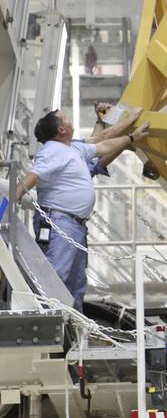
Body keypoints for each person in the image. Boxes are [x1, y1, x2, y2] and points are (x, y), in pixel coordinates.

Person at [16, 106, 148, 311]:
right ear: (61, 129)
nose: (69, 120)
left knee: (76, 284)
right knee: (56, 277)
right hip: (60, 223)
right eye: (65, 118)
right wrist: (7, 205)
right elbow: (31, 178)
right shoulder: (52, 151)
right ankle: (46, 326)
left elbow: (102, 145)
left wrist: (128, 136)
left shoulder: (73, 149)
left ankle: (72, 334)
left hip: (74, 225)